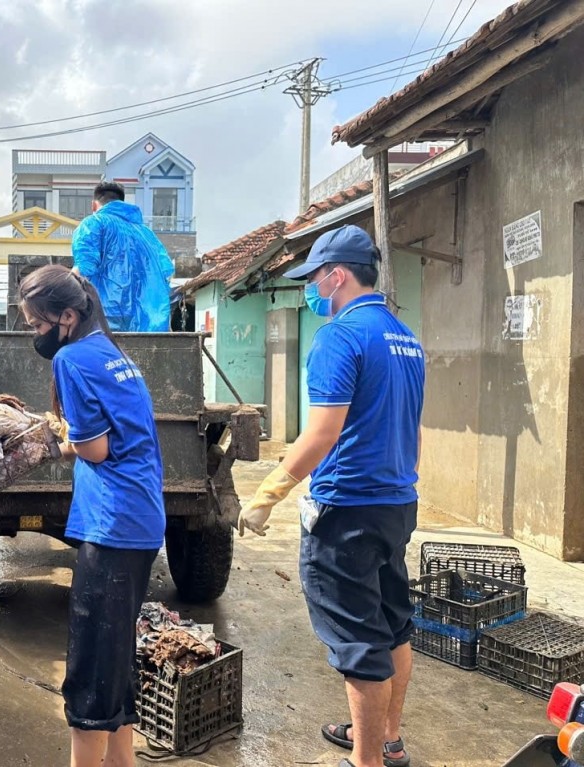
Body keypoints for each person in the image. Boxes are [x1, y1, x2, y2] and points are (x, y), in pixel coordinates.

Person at [238, 226, 424, 767]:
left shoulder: (340, 337)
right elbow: (405, 426)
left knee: (359, 642)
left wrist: (268, 494)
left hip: (347, 510)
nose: (312, 290)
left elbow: (322, 433)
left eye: (315, 278)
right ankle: (388, 738)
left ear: (337, 275)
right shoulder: (404, 336)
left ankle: (365, 761)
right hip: (396, 503)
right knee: (393, 623)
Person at [18, 264, 165, 767]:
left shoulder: (74, 359)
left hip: (114, 524)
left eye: (38, 326)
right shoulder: (108, 348)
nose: (36, 335)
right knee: (114, 659)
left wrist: (48, 444)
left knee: (89, 672)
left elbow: (96, 449)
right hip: (139, 518)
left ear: (66, 316)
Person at [71, 182, 175, 332]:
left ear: (93, 205)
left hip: (105, 319)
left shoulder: (93, 223)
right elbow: (166, 272)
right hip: (148, 323)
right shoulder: (147, 234)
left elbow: (83, 270)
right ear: (122, 202)